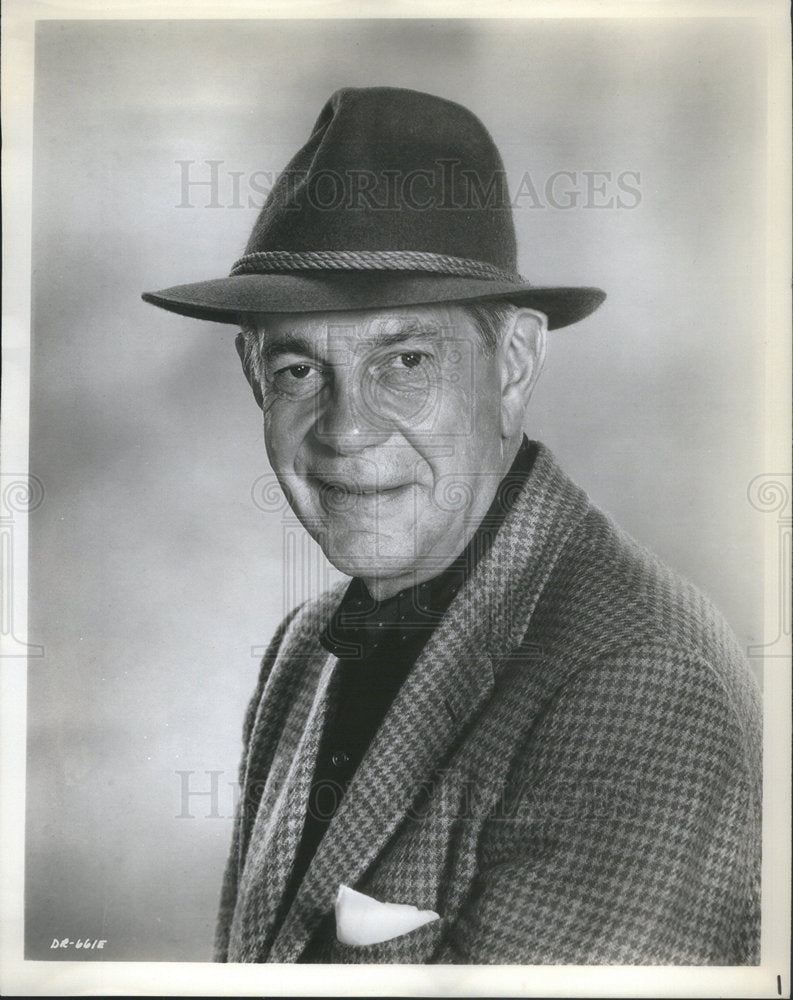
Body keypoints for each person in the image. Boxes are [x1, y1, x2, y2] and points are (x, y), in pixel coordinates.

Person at [143, 86, 761, 965]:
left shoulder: (639, 680)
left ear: (512, 364)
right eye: (297, 370)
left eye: (404, 361)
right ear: (252, 376)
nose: (345, 429)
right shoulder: (304, 646)